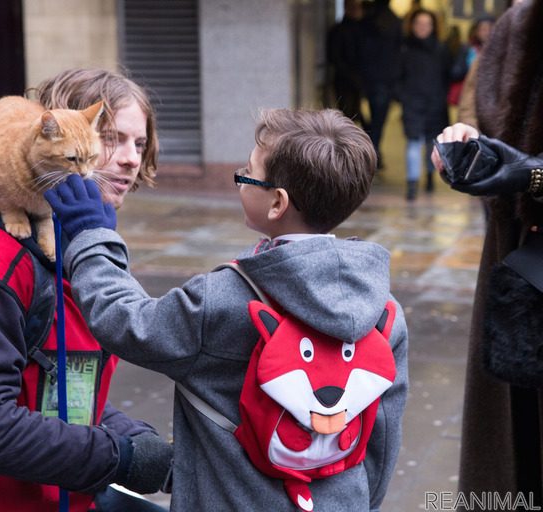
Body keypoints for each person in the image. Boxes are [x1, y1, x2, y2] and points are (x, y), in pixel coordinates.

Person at [45, 108, 409, 511]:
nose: (240, 177)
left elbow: (126, 322)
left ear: (277, 203)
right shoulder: (385, 312)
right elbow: (382, 438)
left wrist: (92, 236)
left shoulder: (224, 298)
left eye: (247, 172)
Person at [0, 68, 173, 511]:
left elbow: (56, 387)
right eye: (110, 138)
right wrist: (119, 457)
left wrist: (134, 439)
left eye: (139, 144)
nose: (129, 158)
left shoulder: (71, 251)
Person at [431, 0, 543, 503]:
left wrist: (534, 173)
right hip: (517, 268)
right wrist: (464, 147)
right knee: (514, 462)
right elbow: (475, 119)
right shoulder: (516, 28)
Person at [394, 8, 451, 200]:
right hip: (412, 103)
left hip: (436, 104)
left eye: (427, 24)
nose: (422, 28)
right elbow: (395, 76)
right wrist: (403, 96)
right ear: (411, 26)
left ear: (433, 27)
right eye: (419, 23)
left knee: (432, 144)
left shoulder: (441, 49)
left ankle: (429, 178)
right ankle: (412, 185)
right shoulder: (403, 48)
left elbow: (448, 76)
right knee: (413, 143)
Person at [355, 0, 403, 170]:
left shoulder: (365, 22)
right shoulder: (396, 22)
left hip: (370, 78)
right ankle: (372, 155)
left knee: (374, 119)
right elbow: (398, 55)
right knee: (378, 121)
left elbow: (360, 51)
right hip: (386, 80)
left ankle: (372, 154)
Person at [326, 0, 365, 124]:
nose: (356, 10)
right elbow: (334, 56)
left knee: (355, 113)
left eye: (358, 7)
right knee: (346, 114)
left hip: (358, 78)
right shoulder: (338, 30)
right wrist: (351, 74)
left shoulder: (362, 29)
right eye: (353, 7)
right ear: (346, 8)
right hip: (344, 80)